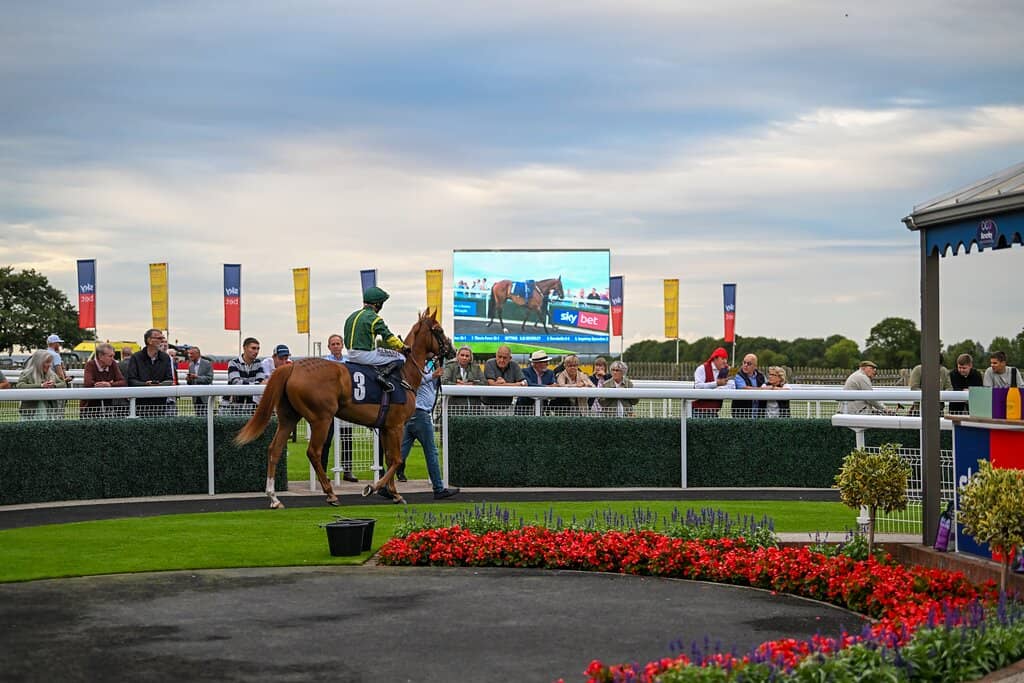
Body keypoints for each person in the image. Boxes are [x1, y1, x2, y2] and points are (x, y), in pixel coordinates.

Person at [391, 358, 459, 500]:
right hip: (420, 414)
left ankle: (385, 484)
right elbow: (415, 382)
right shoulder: (417, 365)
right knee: (431, 453)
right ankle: (438, 489)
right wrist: (433, 376)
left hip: (414, 414)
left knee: (400, 454)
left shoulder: (425, 364)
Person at [343, 286, 409, 392]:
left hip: (350, 355)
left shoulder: (351, 316)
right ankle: (382, 376)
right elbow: (389, 338)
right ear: (378, 304)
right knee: (401, 357)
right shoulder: (374, 318)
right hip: (366, 355)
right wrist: (402, 346)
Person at [321, 334, 357, 482]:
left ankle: (347, 471)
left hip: (345, 407)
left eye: (338, 343)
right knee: (326, 440)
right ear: (329, 347)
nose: (336, 346)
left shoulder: (349, 361)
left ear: (342, 346)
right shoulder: (325, 362)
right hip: (329, 407)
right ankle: (322, 472)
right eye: (333, 344)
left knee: (347, 439)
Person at [123, 329, 174, 417]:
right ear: (149, 340)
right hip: (140, 403)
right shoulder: (136, 357)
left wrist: (159, 385)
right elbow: (131, 380)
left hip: (160, 403)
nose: (162, 340)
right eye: (159, 338)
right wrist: (145, 384)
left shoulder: (165, 358)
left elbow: (169, 379)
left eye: (162, 338)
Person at [15, 349, 68, 419]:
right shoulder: (26, 374)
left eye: (50, 362)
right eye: (47, 362)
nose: (49, 365)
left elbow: (63, 384)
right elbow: (20, 386)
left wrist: (54, 385)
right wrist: (41, 386)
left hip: (49, 412)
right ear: (39, 362)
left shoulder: (51, 374)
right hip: (30, 413)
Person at [80, 342, 127, 418]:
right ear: (101, 356)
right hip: (89, 406)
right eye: (110, 356)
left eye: (113, 356)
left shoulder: (113, 364)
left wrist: (109, 384)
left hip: (107, 406)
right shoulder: (90, 364)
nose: (113, 359)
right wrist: (105, 384)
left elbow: (123, 382)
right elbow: (88, 383)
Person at [225, 337, 266, 415]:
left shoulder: (258, 363)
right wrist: (256, 384)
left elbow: (260, 381)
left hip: (250, 407)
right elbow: (236, 383)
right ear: (245, 348)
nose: (256, 351)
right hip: (231, 407)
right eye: (253, 348)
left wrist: (249, 384)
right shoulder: (233, 363)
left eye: (258, 349)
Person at [441, 345, 485, 409]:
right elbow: (444, 381)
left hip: (474, 406)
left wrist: (472, 384)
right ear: (457, 356)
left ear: (470, 358)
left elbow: (484, 382)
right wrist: (457, 385)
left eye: (467, 356)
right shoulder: (450, 366)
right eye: (462, 355)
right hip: (454, 406)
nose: (464, 358)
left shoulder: (476, 368)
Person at [693, 347, 730, 418]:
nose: (725, 361)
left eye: (726, 359)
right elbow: (698, 387)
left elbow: (732, 385)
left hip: (714, 412)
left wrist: (719, 387)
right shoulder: (702, 368)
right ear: (715, 358)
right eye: (723, 358)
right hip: (698, 412)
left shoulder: (726, 369)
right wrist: (717, 384)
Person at [731, 353, 767, 418]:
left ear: (755, 366)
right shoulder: (737, 375)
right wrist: (762, 389)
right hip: (742, 415)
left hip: (759, 414)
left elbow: (768, 387)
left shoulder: (761, 376)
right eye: (744, 362)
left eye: (749, 364)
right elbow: (744, 388)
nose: (745, 365)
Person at [522, 349, 557, 414]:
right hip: (525, 408)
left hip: (543, 407)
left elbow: (554, 385)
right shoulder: (525, 371)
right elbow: (529, 385)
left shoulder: (550, 373)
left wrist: (552, 386)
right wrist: (547, 387)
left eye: (547, 361)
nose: (547, 364)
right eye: (544, 362)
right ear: (535, 363)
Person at [186, 346, 214, 417]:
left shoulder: (207, 363)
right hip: (195, 396)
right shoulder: (190, 365)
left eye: (192, 354)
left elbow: (209, 378)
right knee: (198, 416)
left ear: (198, 354)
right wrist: (189, 380)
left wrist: (196, 377)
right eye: (189, 354)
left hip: (205, 396)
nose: (189, 355)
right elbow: (190, 383)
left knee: (207, 416)